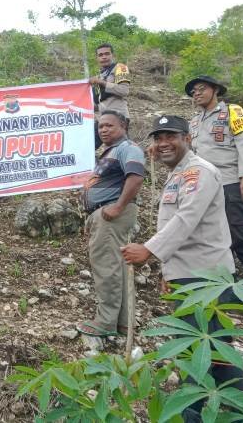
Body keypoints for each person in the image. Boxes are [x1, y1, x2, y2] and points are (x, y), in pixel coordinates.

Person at [122, 115, 243, 422]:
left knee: (199, 349)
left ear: (188, 138)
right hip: (188, 273)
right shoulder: (178, 173)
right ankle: (240, 411)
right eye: (158, 138)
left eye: (171, 137)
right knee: (215, 347)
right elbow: (176, 224)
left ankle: (191, 413)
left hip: (206, 275)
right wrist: (170, 272)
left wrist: (149, 250)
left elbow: (186, 219)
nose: (163, 144)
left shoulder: (199, 172)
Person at [186, 75, 243, 279]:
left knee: (240, 232)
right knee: (213, 233)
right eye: (193, 92)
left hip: (229, 182)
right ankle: (225, 281)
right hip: (204, 186)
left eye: (201, 89)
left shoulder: (232, 111)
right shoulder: (194, 122)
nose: (197, 94)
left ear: (215, 90)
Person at [77, 111, 145, 337]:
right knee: (117, 267)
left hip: (112, 213)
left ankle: (105, 322)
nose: (103, 130)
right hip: (106, 214)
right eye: (101, 127)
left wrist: (117, 207)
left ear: (123, 126)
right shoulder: (110, 152)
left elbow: (135, 177)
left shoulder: (128, 148)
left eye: (109, 126)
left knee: (106, 267)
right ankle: (124, 322)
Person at [89, 43, 131, 150]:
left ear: (112, 55)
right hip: (102, 118)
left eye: (107, 54)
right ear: (97, 58)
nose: (104, 57)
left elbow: (124, 90)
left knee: (121, 149)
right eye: (100, 55)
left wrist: (102, 83)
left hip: (118, 117)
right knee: (87, 147)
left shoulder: (120, 68)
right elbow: (98, 102)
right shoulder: (99, 75)